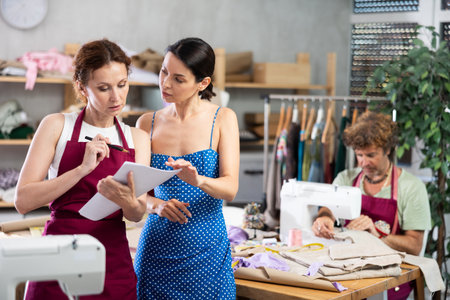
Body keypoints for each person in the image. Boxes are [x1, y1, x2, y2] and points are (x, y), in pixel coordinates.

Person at [14, 39, 150, 299]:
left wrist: (126, 200)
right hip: (60, 251)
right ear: (81, 87)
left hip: (112, 257)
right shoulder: (56, 126)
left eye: (122, 85)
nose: (117, 97)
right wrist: (82, 169)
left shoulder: (137, 138)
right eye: (103, 88)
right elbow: (23, 200)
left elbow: (136, 214)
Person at [134, 37, 239, 299]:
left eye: (178, 79)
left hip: (207, 250)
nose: (166, 83)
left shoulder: (223, 119)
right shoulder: (147, 123)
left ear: (202, 83)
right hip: (156, 249)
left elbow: (230, 189)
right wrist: (155, 205)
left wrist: (198, 180)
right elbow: (135, 190)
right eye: (163, 71)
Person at [312, 111, 431, 300]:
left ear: (387, 150)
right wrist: (325, 217)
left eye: (371, 155)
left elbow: (415, 246)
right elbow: (328, 207)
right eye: (359, 155)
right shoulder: (346, 178)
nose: (364, 162)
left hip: (391, 276)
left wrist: (378, 234)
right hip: (350, 270)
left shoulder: (411, 188)